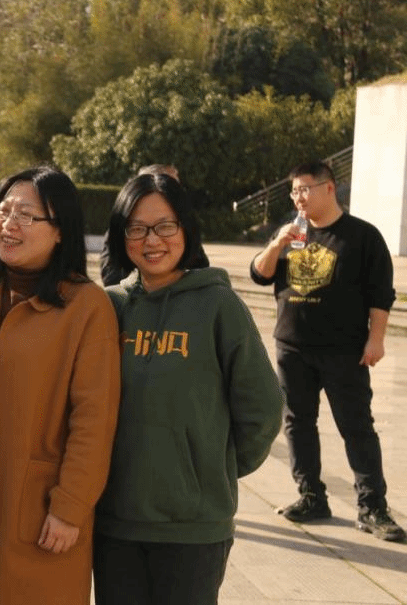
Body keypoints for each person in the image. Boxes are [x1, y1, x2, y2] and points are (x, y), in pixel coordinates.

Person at [94, 172, 283, 605]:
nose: (151, 240)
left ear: (186, 228)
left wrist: (211, 467)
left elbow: (264, 406)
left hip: (193, 530)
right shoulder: (109, 306)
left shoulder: (217, 305)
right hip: (115, 526)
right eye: (137, 228)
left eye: (165, 226)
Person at [0, 166, 120, 605]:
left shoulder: (86, 307)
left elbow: (95, 420)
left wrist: (70, 506)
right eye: (3, 211)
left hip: (42, 515)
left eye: (26, 215)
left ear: (60, 231)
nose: (9, 224)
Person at [250, 160, 404, 542]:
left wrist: (376, 339)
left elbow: (381, 293)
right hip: (292, 348)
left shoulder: (362, 236)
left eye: (305, 189)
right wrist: (277, 243)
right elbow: (259, 273)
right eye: (294, 192)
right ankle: (311, 497)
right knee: (298, 423)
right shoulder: (290, 234)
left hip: (343, 350)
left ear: (329, 188)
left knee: (356, 427)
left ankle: (372, 507)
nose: (298, 198)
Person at [99, 164, 209, 286]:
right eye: (137, 229)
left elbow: (201, 267)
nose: (153, 241)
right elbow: (111, 274)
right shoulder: (120, 232)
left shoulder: (211, 294)